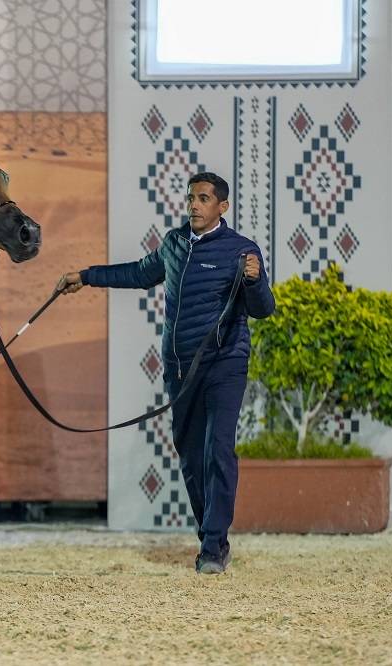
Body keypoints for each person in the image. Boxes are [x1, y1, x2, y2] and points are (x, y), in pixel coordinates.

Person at [58, 172, 275, 574]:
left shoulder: (241, 251)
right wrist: (85, 277)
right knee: (191, 457)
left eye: (204, 199)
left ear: (221, 207)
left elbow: (263, 309)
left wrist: (256, 280)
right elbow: (139, 274)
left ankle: (213, 547)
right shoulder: (175, 244)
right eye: (191, 197)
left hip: (224, 365)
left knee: (218, 451)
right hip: (179, 369)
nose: (194, 205)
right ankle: (210, 535)